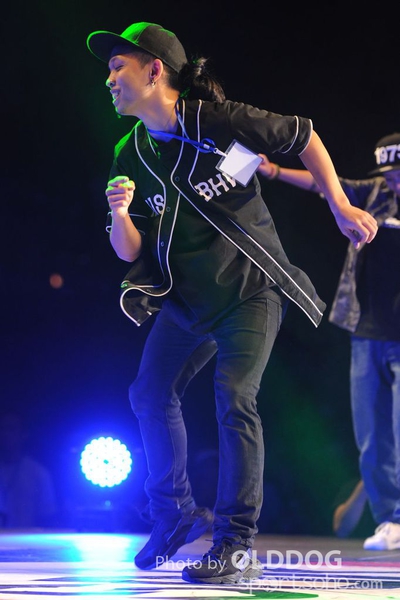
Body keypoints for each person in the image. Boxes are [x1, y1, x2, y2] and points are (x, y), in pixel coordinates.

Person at [86, 21, 377, 584]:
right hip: (188, 302)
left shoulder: (217, 121)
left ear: (155, 71)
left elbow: (304, 134)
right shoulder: (130, 151)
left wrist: (340, 205)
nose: (109, 79)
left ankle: (235, 544)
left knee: (235, 397)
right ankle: (174, 513)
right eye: (109, 70)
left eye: (119, 67)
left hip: (249, 292)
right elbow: (130, 251)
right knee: (148, 392)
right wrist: (120, 214)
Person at [258, 132, 400, 551]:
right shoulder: (373, 193)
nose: (392, 181)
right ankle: (391, 520)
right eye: (388, 174)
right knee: (372, 433)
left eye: (398, 173)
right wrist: (274, 171)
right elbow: (325, 182)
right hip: (366, 332)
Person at [0, 409, 59, 529]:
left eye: (11, 429)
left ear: (23, 434)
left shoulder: (38, 473)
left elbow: (48, 516)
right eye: (2, 428)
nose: (5, 434)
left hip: (27, 538)